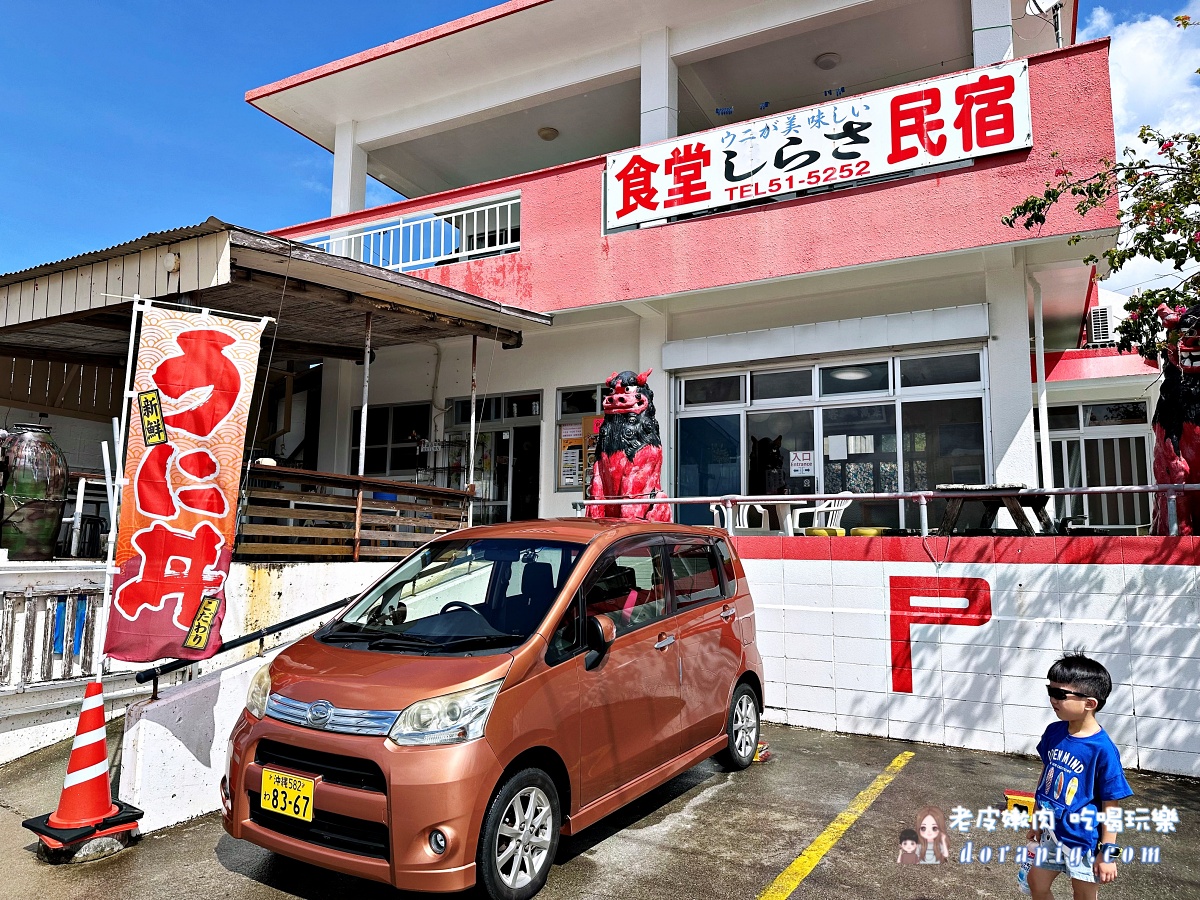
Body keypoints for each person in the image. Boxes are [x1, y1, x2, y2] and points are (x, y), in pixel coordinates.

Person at [1027, 653, 1133, 900]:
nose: (1053, 699)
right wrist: (1036, 819)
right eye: (1050, 691)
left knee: (1083, 895)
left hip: (1083, 841)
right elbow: (1046, 778)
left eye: (1060, 695)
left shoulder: (1102, 750)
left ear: (1090, 703)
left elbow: (1111, 805)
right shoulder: (1054, 732)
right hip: (1052, 833)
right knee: (1036, 882)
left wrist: (1108, 853)